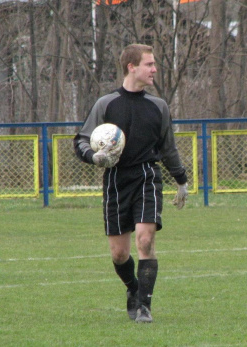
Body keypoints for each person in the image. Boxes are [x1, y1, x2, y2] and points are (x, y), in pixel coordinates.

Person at [73, 43, 188, 323]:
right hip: (115, 181)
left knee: (145, 241)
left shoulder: (158, 106)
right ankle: (133, 290)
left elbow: (169, 149)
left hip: (148, 177)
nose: (154, 70)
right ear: (131, 67)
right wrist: (94, 157)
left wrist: (182, 181)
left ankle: (145, 307)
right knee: (119, 253)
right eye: (149, 64)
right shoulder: (106, 104)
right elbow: (80, 141)